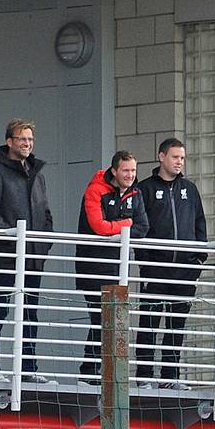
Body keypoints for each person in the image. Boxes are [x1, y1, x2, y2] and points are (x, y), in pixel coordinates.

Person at [0, 119, 56, 385]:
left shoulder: (37, 173)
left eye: (31, 140)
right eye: (23, 139)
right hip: (6, 254)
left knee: (31, 311)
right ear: (9, 141)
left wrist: (42, 244)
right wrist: (12, 238)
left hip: (33, 257)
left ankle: (29, 368)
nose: (27, 144)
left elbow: (45, 214)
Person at [134, 138, 207, 390]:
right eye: (175, 157)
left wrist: (197, 262)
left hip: (185, 271)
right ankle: (144, 375)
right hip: (155, 270)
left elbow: (200, 226)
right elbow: (139, 229)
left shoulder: (190, 189)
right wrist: (146, 263)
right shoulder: (144, 189)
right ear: (161, 157)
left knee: (177, 327)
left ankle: (169, 377)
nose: (179, 162)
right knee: (150, 323)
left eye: (182, 158)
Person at [74, 150, 148, 384]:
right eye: (126, 170)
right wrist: (126, 224)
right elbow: (98, 226)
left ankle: (96, 372)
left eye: (134, 171)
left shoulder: (136, 193)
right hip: (93, 265)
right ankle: (89, 372)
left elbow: (143, 226)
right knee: (100, 319)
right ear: (114, 171)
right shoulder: (95, 190)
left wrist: (116, 227)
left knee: (111, 321)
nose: (130, 175)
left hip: (118, 267)